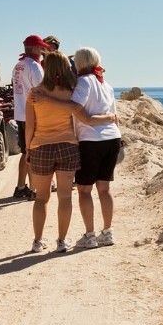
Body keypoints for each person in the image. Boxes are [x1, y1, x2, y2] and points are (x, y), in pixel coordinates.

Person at [25, 52, 115, 253]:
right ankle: (62, 241)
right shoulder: (71, 92)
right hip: (67, 147)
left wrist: (28, 148)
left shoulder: (35, 93)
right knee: (65, 197)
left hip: (40, 146)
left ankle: (38, 241)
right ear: (67, 67)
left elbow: (29, 126)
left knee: (41, 197)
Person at [67, 47, 120, 247]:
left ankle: (89, 236)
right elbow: (114, 116)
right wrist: (104, 119)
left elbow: (74, 106)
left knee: (84, 190)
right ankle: (107, 232)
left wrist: (88, 120)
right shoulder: (105, 83)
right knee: (105, 189)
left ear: (79, 63)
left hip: (91, 140)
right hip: (112, 138)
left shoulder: (84, 81)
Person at [9, 34, 47, 200]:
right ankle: (34, 189)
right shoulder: (35, 67)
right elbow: (41, 92)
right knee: (33, 153)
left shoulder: (18, 65)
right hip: (33, 114)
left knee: (26, 152)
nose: (43, 49)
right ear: (33, 48)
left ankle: (20, 186)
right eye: (40, 47)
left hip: (20, 113)